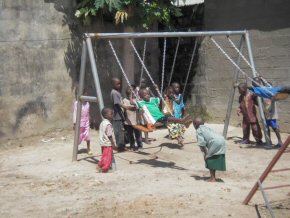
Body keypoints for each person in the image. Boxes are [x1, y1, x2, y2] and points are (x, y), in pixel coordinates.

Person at [193, 117, 226, 182]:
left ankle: (212, 178)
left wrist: (206, 154)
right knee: (214, 157)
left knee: (209, 158)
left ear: (195, 124)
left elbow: (202, 143)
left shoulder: (199, 130)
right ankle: (213, 177)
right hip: (222, 140)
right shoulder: (207, 128)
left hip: (214, 142)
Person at [111, 77, 135, 152]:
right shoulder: (114, 93)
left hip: (120, 115)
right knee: (119, 132)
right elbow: (117, 103)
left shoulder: (117, 92)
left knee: (121, 131)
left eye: (119, 84)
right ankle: (120, 147)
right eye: (117, 84)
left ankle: (122, 145)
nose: (119, 85)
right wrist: (127, 107)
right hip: (117, 116)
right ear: (113, 84)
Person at [97, 108, 117, 173]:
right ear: (106, 116)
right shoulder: (108, 124)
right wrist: (113, 144)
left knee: (104, 156)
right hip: (108, 143)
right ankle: (104, 169)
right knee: (108, 157)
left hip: (103, 142)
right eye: (111, 114)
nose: (112, 115)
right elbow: (109, 135)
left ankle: (100, 165)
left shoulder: (102, 123)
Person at [73, 89, 92, 155]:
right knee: (78, 136)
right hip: (79, 123)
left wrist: (89, 118)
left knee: (88, 135)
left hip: (86, 122)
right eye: (84, 95)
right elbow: (75, 113)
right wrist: (75, 123)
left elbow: (88, 112)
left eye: (87, 95)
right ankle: (76, 149)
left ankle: (88, 148)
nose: (86, 97)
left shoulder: (87, 104)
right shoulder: (77, 103)